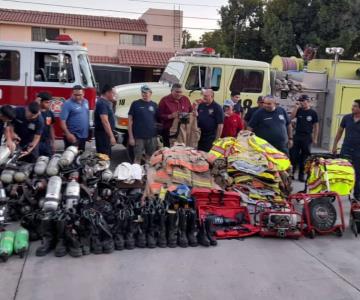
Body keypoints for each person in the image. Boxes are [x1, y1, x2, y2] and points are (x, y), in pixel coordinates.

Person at [332, 99, 360, 201]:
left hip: (358, 152)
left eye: (355, 106)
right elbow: (339, 132)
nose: (352, 107)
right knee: (342, 171)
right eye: (353, 106)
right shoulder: (347, 118)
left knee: (357, 174)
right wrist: (334, 145)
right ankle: (339, 192)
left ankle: (357, 196)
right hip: (346, 149)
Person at [290, 94, 319, 182]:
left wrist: (315, 138)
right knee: (293, 156)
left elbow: (316, 126)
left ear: (308, 101)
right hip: (297, 136)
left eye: (303, 101)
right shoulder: (299, 110)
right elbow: (291, 117)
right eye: (300, 101)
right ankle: (291, 174)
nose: (302, 103)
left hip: (307, 137)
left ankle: (301, 175)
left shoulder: (313, 113)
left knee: (304, 158)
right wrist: (296, 107)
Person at [128, 85, 158, 164]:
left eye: (146, 92)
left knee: (150, 159)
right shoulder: (135, 104)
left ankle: (148, 175)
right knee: (137, 158)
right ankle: (136, 175)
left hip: (152, 137)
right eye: (143, 92)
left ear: (150, 93)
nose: (144, 94)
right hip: (138, 137)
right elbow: (130, 121)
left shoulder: (154, 105)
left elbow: (157, 121)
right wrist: (131, 137)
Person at [60, 85, 89, 151]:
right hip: (72, 135)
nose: (78, 97)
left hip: (83, 136)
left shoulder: (86, 102)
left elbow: (86, 116)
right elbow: (62, 121)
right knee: (70, 156)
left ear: (84, 93)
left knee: (80, 157)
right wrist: (68, 134)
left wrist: (88, 132)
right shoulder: (67, 104)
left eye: (80, 95)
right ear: (71, 94)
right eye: (75, 95)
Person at [94, 84, 116, 157]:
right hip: (102, 135)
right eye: (113, 93)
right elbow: (105, 121)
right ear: (107, 93)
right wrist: (111, 136)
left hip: (104, 135)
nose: (114, 95)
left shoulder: (105, 102)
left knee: (106, 156)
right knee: (104, 158)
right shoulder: (102, 103)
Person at [36, 92, 56, 157]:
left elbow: (51, 127)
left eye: (50, 102)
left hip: (47, 143)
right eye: (46, 102)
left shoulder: (49, 113)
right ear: (40, 102)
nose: (49, 104)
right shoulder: (34, 113)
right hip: (36, 143)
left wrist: (53, 142)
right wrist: (36, 104)